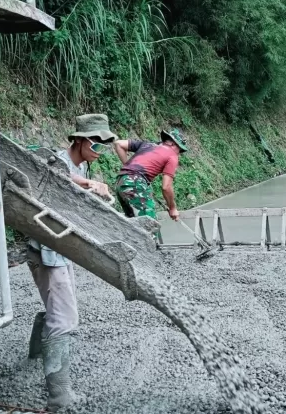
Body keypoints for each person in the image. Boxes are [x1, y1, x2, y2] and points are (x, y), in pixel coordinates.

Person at [27, 114, 117, 411]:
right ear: (79, 140)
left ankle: (33, 359)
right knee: (64, 318)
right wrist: (89, 182)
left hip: (63, 250)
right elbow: (53, 174)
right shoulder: (57, 161)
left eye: (104, 143)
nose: (99, 148)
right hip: (47, 251)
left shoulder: (84, 164)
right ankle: (59, 397)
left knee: (58, 308)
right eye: (96, 142)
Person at [113, 129, 188, 221]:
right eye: (179, 149)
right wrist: (172, 208)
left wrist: (128, 167)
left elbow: (119, 144)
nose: (178, 153)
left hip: (120, 182)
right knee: (150, 226)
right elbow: (166, 187)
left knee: (133, 226)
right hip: (135, 184)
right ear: (172, 143)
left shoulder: (147, 145)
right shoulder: (172, 156)